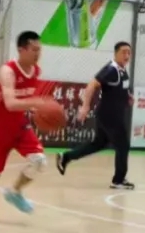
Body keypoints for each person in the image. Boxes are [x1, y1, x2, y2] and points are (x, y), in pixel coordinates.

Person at [0, 30, 49, 223]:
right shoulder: (7, 71)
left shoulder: (36, 71)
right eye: (34, 49)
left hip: (19, 125)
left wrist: (37, 109)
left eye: (39, 50)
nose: (38, 54)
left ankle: (15, 192)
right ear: (21, 49)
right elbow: (10, 103)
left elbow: (25, 101)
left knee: (40, 161)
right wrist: (36, 102)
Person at [57, 41, 134, 189]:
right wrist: (85, 106)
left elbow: (118, 89)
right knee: (123, 145)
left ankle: (66, 157)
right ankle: (118, 180)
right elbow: (92, 84)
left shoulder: (122, 70)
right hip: (110, 115)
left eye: (129, 53)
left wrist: (127, 96)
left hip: (109, 115)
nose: (127, 55)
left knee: (99, 143)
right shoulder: (111, 70)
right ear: (116, 53)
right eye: (124, 52)